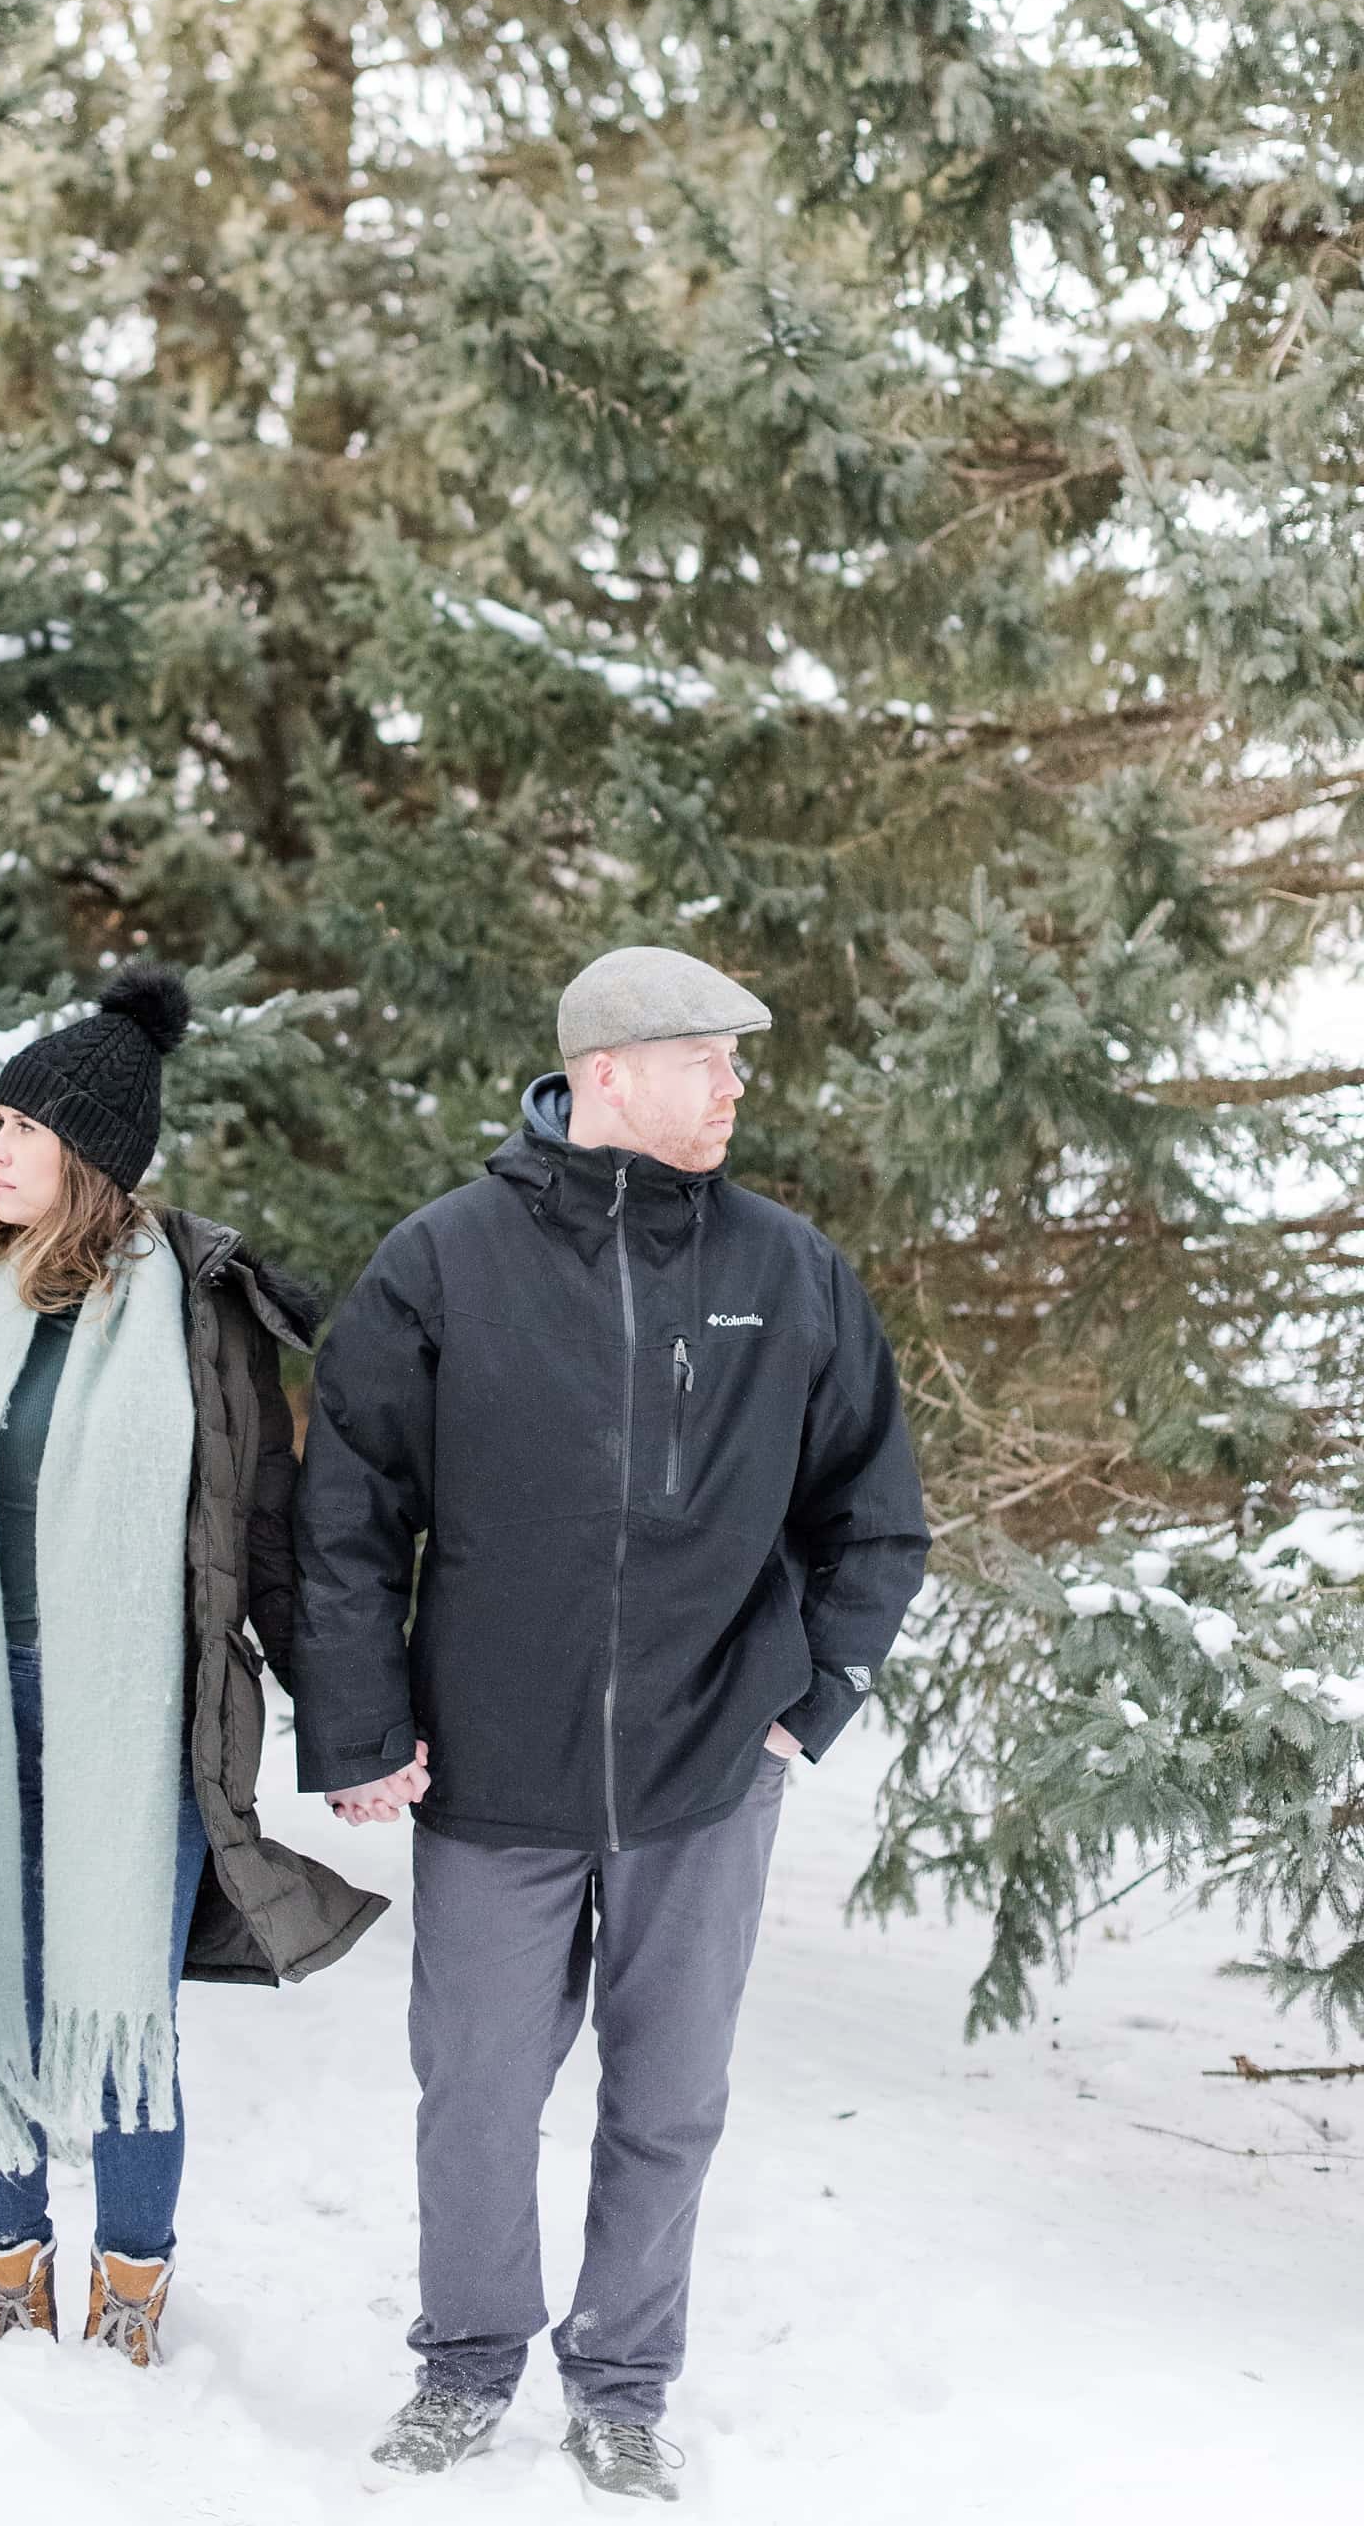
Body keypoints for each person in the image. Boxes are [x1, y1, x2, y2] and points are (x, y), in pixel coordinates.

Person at [291, 946, 927, 2500]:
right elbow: (351, 1511)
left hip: (710, 1766)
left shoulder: (789, 1272)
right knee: (482, 2086)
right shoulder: (445, 1261)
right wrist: (363, 1723)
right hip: (493, 1764)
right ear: (610, 1074)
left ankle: (625, 2378)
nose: (736, 1085)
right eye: (712, 1057)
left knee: (671, 2097)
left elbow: (877, 1512)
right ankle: (466, 2359)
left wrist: (816, 1692)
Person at [0, 958, 382, 2365]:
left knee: (119, 2000)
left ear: (94, 1159)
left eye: (21, 1128)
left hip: (144, 1725)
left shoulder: (199, 1314)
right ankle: (9, 2280)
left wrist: (359, 1727)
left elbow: (268, 1545)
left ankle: (129, 2294)